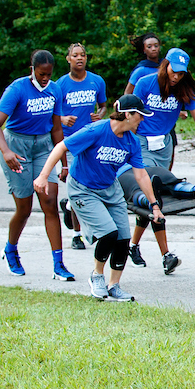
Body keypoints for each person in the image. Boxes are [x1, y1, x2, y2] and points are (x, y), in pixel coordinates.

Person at [34, 95, 164, 302]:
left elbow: (141, 174)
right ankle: (97, 276)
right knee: (109, 234)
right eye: (140, 116)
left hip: (110, 189)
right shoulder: (96, 130)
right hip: (83, 189)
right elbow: (61, 147)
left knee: (123, 237)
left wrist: (154, 205)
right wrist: (43, 176)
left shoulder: (131, 142)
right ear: (128, 115)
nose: (142, 120)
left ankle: (114, 286)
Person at [128, 47, 195, 272]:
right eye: (173, 71)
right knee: (156, 191)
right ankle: (166, 254)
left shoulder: (183, 90)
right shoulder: (146, 83)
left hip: (165, 145)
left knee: (155, 195)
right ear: (165, 65)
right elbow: (131, 114)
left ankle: (133, 245)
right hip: (142, 143)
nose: (176, 76)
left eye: (181, 73)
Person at [0, 49, 72, 282]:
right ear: (32, 70)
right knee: (24, 209)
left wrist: (63, 163)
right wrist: (6, 151)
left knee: (50, 205)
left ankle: (58, 264)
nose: (45, 78)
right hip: (18, 147)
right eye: (41, 74)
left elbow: (57, 129)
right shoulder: (17, 89)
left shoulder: (55, 89)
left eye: (49, 74)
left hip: (44, 147)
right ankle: (11, 250)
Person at [56, 42, 108, 250]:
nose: (80, 58)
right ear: (68, 59)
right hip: (71, 142)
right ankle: (77, 234)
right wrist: (62, 118)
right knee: (77, 187)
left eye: (83, 55)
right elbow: (53, 115)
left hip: (93, 141)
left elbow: (104, 106)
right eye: (75, 55)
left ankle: (69, 206)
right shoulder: (60, 84)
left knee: (90, 186)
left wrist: (100, 116)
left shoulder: (97, 81)